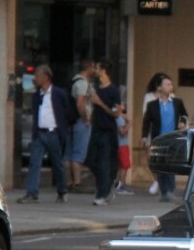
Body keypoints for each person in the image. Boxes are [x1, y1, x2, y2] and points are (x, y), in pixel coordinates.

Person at [17, 65, 74, 204]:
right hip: (39, 134)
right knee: (34, 163)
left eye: (37, 75)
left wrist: (63, 129)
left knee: (57, 164)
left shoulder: (59, 94)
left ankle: (62, 190)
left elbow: (68, 113)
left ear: (46, 77)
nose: (35, 78)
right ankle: (32, 193)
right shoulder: (37, 95)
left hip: (53, 133)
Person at [142, 74, 189, 201]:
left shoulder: (177, 102)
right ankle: (164, 191)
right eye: (167, 85)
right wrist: (144, 136)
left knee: (170, 165)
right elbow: (146, 122)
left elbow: (184, 114)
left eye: (171, 85)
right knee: (160, 166)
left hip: (172, 138)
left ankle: (170, 190)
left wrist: (183, 123)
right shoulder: (152, 105)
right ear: (160, 88)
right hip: (158, 139)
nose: (170, 87)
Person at [88, 62, 123, 206]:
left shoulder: (114, 91)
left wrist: (100, 103)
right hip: (96, 129)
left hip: (108, 131)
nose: (95, 70)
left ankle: (102, 194)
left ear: (103, 70)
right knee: (91, 160)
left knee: (104, 163)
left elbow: (117, 113)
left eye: (96, 68)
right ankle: (109, 183)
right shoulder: (96, 88)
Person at [67, 59, 98, 191]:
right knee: (79, 151)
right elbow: (80, 103)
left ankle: (71, 181)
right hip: (81, 121)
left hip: (74, 121)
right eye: (94, 68)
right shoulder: (82, 83)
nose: (95, 70)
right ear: (89, 68)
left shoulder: (75, 81)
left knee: (72, 151)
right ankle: (77, 183)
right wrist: (85, 117)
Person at [141, 72, 166, 195]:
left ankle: (163, 182)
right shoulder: (149, 97)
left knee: (164, 158)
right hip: (152, 130)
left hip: (166, 130)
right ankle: (156, 180)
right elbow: (145, 115)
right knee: (151, 157)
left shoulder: (170, 96)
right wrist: (144, 135)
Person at [115, 108, 134, 195]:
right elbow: (122, 132)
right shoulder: (119, 119)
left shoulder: (119, 117)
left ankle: (119, 184)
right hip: (122, 145)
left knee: (122, 166)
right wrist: (129, 124)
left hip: (121, 145)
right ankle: (120, 186)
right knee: (124, 166)